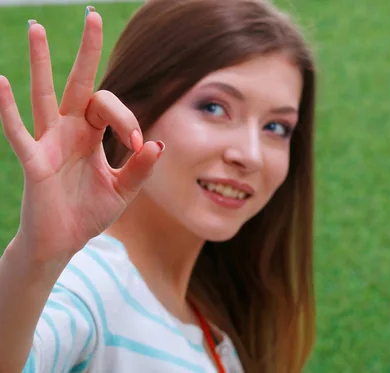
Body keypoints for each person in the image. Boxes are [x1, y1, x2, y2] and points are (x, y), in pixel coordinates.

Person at [0, 0, 317, 372]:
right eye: (214, 107)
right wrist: (36, 259)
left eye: (276, 128)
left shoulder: (209, 323)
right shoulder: (90, 286)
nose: (250, 155)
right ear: (132, 108)